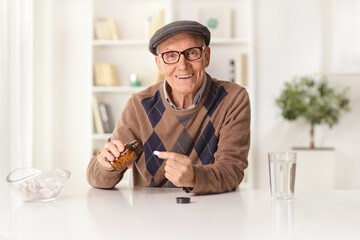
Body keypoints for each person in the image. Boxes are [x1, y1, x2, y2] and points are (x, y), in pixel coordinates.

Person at [87, 20, 251, 194]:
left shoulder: (233, 98)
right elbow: (96, 178)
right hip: (147, 215)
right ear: (159, 64)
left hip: (210, 212)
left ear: (206, 56)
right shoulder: (139, 104)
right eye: (171, 56)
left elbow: (232, 170)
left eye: (192, 53)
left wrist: (195, 177)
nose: (183, 65)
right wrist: (106, 165)